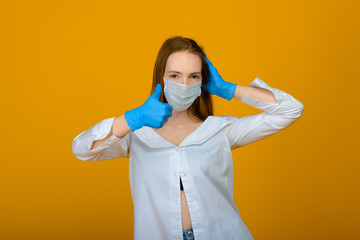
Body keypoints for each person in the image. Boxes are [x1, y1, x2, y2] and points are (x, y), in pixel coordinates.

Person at [72, 36, 305, 240]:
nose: (184, 85)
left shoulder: (220, 129)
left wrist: (229, 89)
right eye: (175, 75)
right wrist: (133, 119)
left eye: (193, 76)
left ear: (203, 82)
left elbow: (291, 109)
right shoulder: (136, 135)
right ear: (161, 78)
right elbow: (82, 149)